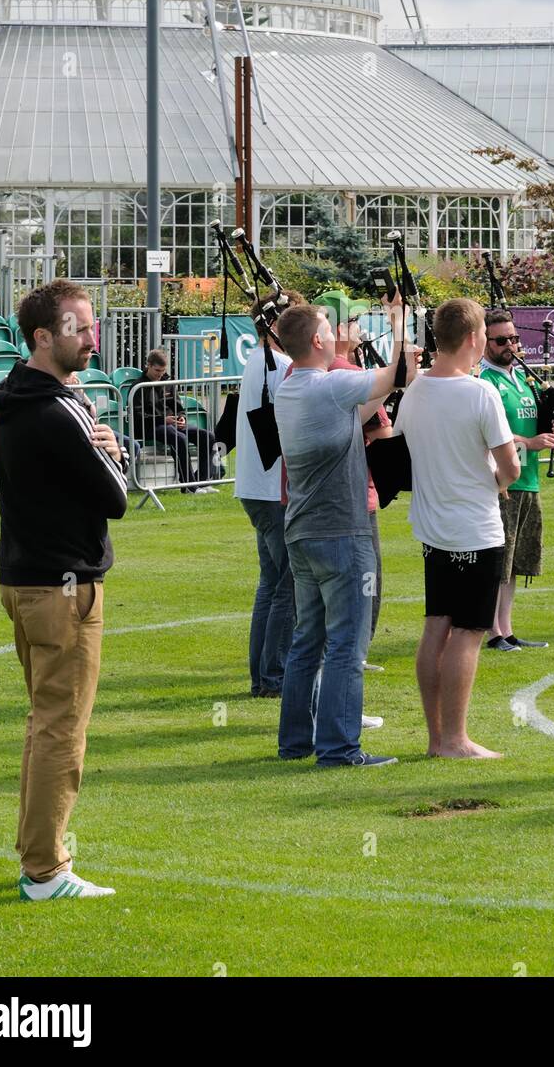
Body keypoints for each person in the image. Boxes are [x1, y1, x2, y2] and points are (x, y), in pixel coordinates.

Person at [0, 279, 128, 900]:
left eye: (92, 325)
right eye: (78, 327)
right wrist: (111, 454)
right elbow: (115, 499)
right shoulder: (53, 408)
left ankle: (37, 855)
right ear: (43, 337)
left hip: (28, 582)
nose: (91, 338)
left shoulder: (20, 399)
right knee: (62, 729)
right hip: (62, 588)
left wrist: (100, 448)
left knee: (45, 723)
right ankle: (45, 869)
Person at [273, 296, 411, 768]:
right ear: (316, 340)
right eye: (330, 327)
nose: (337, 331)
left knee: (307, 639)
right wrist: (399, 325)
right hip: (340, 532)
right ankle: (339, 747)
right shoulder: (328, 385)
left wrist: (392, 366)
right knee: (346, 644)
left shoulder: (293, 386)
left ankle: (295, 742)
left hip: (303, 532)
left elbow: (372, 397)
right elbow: (395, 376)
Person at [394, 298, 521, 759]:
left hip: (433, 526)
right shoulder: (479, 392)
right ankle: (454, 739)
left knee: (436, 625)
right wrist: (499, 480)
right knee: (468, 631)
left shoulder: (416, 391)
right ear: (472, 339)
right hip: (473, 526)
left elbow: (403, 443)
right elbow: (508, 465)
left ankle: (436, 737)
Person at [479, 309, 554, 652]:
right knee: (499, 561)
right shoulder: (485, 381)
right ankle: (492, 632)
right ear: (485, 342)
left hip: (528, 479)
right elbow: (488, 435)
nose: (511, 345)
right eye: (501, 340)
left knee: (516, 562)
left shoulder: (523, 378)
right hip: (503, 481)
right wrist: (528, 442)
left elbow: (539, 422)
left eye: (514, 338)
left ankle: (507, 628)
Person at [315, 288, 393, 674]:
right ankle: (353, 656)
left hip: (317, 502)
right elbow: (382, 431)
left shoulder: (310, 374)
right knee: (367, 580)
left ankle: (335, 656)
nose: (362, 329)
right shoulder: (346, 373)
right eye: (355, 321)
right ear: (337, 329)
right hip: (356, 494)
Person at [234, 288, 304, 699]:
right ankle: (273, 675)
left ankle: (264, 675)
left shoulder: (259, 361)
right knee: (288, 584)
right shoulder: (277, 364)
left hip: (256, 487)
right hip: (271, 489)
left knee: (272, 581)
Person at [132, 349, 221, 493]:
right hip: (150, 426)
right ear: (148, 365)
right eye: (157, 370)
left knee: (208, 436)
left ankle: (202, 482)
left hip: (171, 424)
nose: (160, 374)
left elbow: (178, 407)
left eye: (162, 371)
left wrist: (181, 417)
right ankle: (189, 486)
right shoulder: (138, 386)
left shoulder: (168, 383)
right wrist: (163, 419)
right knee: (179, 438)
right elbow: (138, 415)